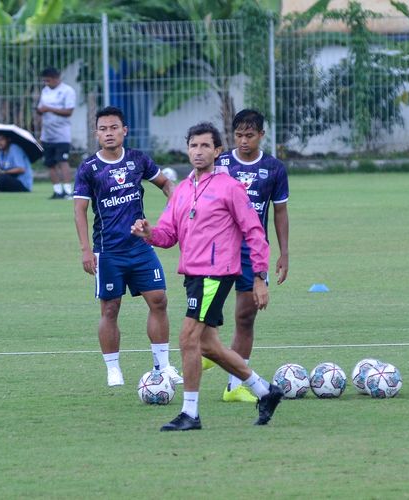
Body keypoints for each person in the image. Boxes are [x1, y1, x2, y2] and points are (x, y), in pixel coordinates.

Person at [131, 122, 283, 431]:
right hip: (192, 274)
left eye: (205, 146)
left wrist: (259, 278)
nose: (198, 151)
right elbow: (168, 235)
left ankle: (190, 413)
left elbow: (255, 233)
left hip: (215, 274)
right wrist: (149, 233)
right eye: (193, 146)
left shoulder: (230, 187)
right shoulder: (183, 189)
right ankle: (265, 391)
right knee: (209, 346)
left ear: (217, 151)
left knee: (187, 338)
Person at [73, 106, 182, 387]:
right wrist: (86, 250)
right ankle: (113, 369)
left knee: (159, 300)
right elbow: (80, 210)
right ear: (96, 133)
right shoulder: (89, 169)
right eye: (103, 129)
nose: (108, 133)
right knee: (110, 308)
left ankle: (164, 366)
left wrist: (174, 214)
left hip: (141, 247)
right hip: (108, 251)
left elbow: (167, 185)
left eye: (113, 128)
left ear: (125, 130)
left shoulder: (138, 160)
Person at [206, 109, 290, 403]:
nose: (243, 141)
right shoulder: (221, 163)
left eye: (249, 135)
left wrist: (284, 252)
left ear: (261, 135)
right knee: (205, 313)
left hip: (253, 252)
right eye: (238, 135)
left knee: (245, 317)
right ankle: (209, 348)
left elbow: (280, 212)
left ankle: (234, 386)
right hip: (217, 248)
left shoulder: (274, 168)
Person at [37, 67, 75, 199]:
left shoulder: (67, 91)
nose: (46, 83)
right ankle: (57, 191)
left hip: (62, 134)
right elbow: (40, 110)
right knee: (50, 163)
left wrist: (49, 109)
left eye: (48, 80)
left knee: (62, 161)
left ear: (56, 79)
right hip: (47, 134)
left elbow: (69, 111)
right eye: (44, 81)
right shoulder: (45, 91)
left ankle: (68, 191)